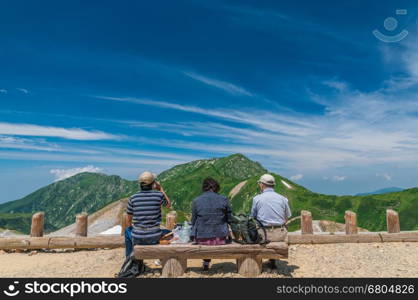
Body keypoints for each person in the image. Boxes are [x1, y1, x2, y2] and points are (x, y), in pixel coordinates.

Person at [124, 171, 171, 261]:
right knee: (169, 232)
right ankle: (162, 258)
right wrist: (160, 188)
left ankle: (130, 259)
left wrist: (135, 231)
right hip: (154, 237)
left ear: (140, 184)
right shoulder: (159, 195)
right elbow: (168, 205)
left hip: (138, 237)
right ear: (153, 184)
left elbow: (128, 220)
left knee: (127, 231)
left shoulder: (133, 198)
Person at [250, 174, 291, 269]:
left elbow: (253, 217)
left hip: (263, 235)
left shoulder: (257, 199)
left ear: (262, 185)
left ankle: (258, 261)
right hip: (280, 235)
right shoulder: (283, 199)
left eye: (259, 183)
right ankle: (272, 260)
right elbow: (287, 218)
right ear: (273, 185)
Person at [191, 177, 232, 271]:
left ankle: (206, 262)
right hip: (220, 238)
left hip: (202, 238)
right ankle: (206, 262)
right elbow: (229, 218)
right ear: (216, 187)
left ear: (204, 187)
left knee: (204, 231)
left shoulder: (196, 201)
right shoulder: (224, 199)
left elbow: (193, 221)